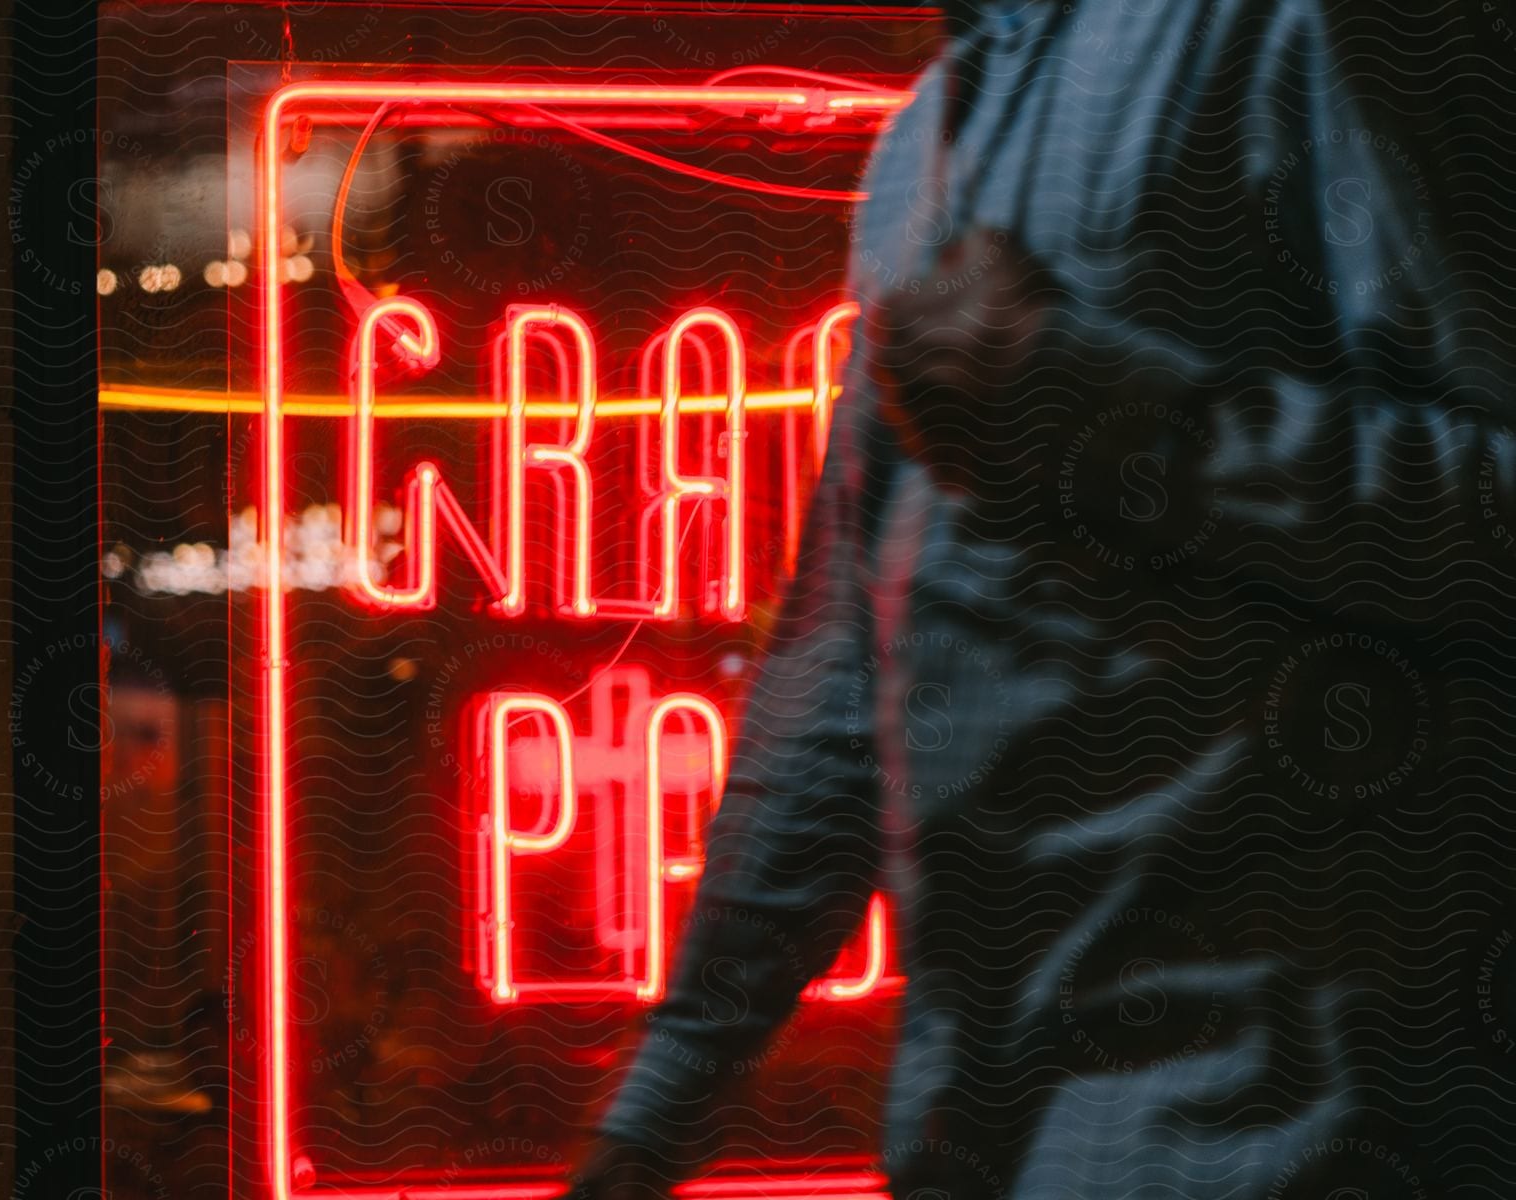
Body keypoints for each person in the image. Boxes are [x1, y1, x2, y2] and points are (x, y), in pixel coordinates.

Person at [569, 1, 1516, 1197]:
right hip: (985, 1121)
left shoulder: (1319, 28)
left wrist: (1107, 416)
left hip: (1283, 1122)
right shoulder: (928, 132)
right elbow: (849, 660)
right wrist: (658, 1110)